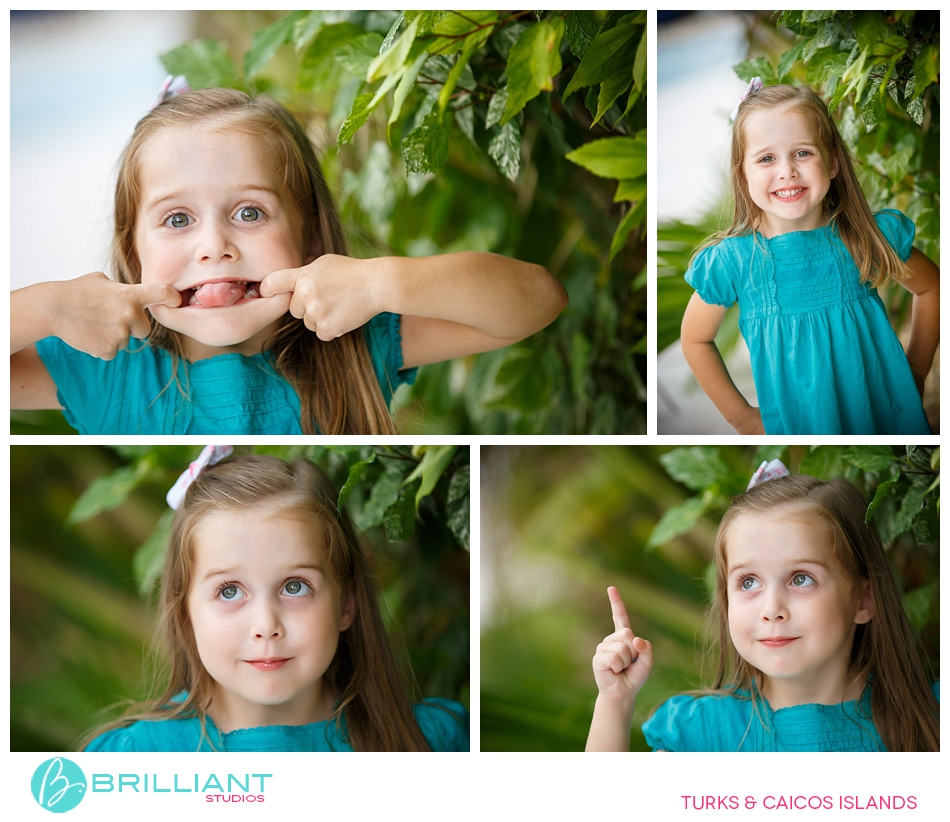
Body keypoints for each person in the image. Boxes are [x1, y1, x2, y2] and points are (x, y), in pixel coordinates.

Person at [10, 83, 567, 434]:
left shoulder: (355, 343)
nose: (214, 246)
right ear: (132, 252)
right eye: (177, 220)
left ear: (309, 240)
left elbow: (539, 300)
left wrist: (380, 283)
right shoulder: (106, 373)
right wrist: (46, 308)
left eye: (250, 213)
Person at [83, 447, 468, 751]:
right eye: (229, 591)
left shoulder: (432, 743)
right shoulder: (133, 760)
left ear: (346, 604)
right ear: (186, 614)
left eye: (295, 586)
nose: (266, 626)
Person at [586, 466, 939, 752]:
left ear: (864, 600)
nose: (772, 610)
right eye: (749, 582)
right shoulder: (705, 735)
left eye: (801, 579)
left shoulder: (930, 716)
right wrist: (615, 703)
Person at [679, 81, 938, 435]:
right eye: (767, 158)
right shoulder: (734, 261)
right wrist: (742, 418)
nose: (787, 170)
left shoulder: (864, 237)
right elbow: (695, 339)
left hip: (889, 414)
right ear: (743, 175)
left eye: (802, 153)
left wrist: (917, 370)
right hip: (805, 425)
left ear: (832, 163)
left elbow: (932, 288)